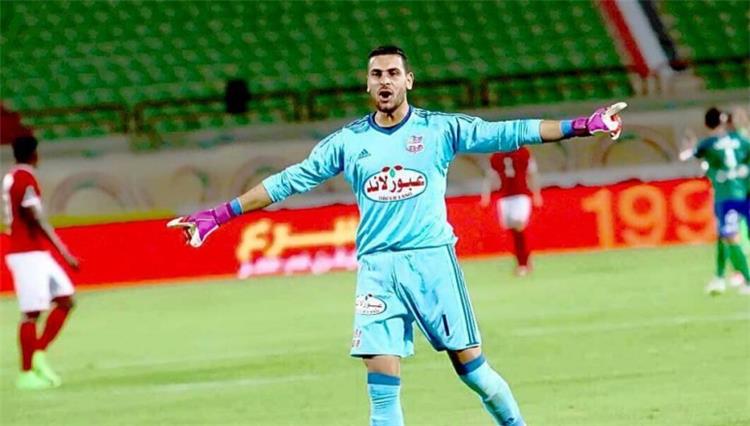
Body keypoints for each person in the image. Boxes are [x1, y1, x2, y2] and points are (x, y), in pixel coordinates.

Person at [168, 46, 626, 426]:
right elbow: (287, 181)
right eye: (376, 75)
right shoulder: (348, 142)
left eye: (392, 73)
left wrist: (582, 125)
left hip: (431, 262)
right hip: (377, 271)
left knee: (473, 371)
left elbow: (510, 131)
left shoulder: (440, 129)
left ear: (409, 80)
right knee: (382, 388)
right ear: (367, 85)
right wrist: (219, 215)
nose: (384, 81)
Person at [3, 136, 79, 389]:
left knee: (66, 299)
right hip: (26, 255)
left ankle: (38, 351)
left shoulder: (13, 176)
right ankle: (26, 374)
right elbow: (34, 217)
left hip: (34, 252)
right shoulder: (25, 178)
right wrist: (64, 251)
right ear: (34, 154)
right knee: (31, 314)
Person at [681, 107, 750, 295]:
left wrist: (690, 145)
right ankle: (720, 277)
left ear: (706, 124)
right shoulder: (739, 140)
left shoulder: (709, 144)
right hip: (743, 191)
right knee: (724, 235)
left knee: (730, 235)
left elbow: (687, 155)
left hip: (726, 195)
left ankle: (746, 279)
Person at [480, 147, 542, 276]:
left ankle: (523, 263)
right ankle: (523, 260)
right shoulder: (496, 156)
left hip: (521, 195)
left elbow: (532, 173)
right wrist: (486, 197)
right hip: (505, 197)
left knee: (520, 227)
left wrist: (536, 194)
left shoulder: (523, 152)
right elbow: (490, 177)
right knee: (513, 231)